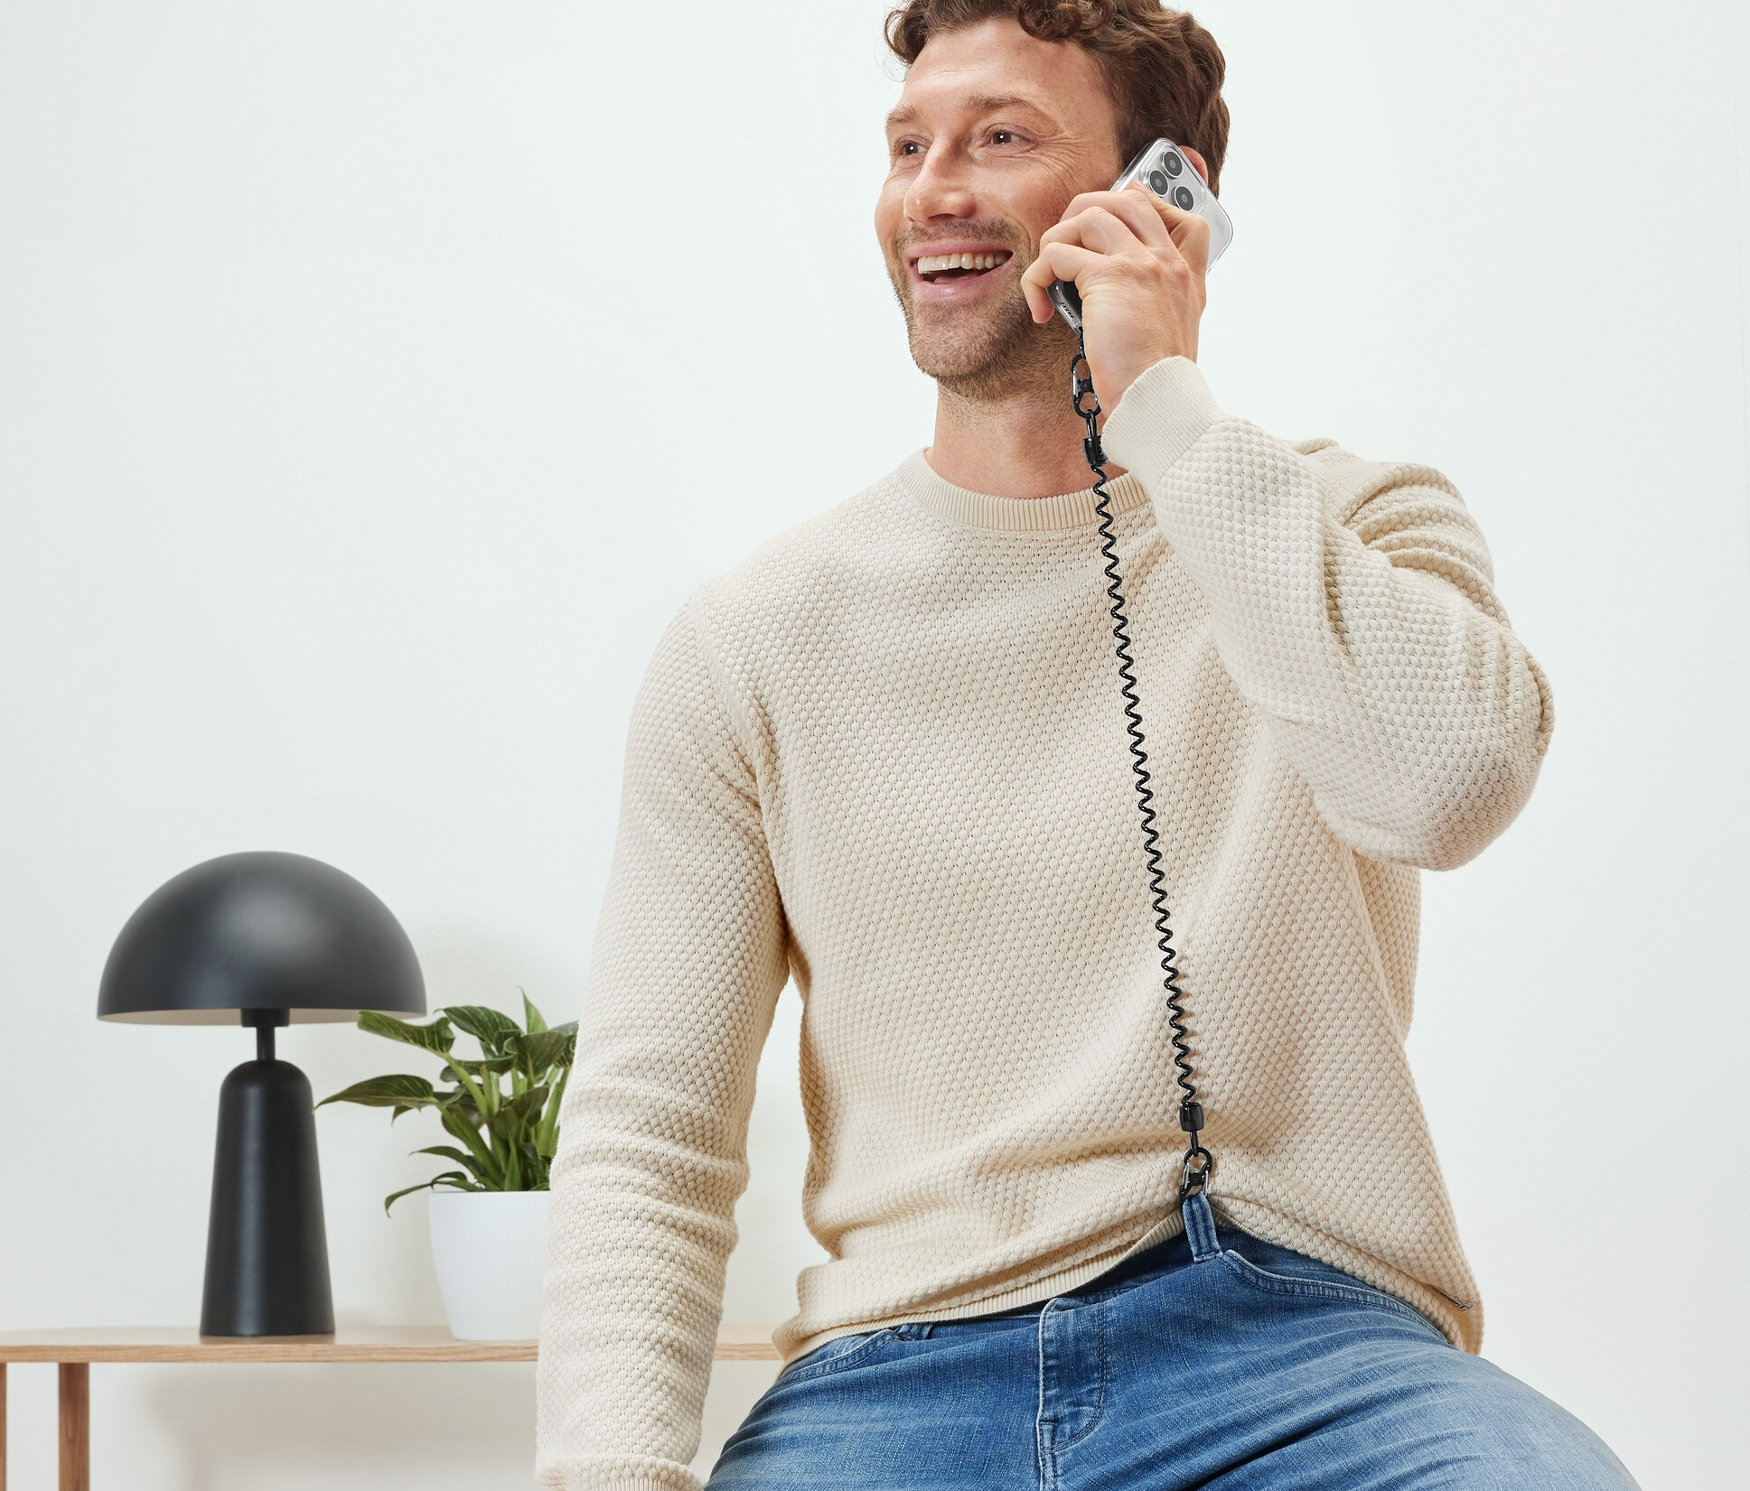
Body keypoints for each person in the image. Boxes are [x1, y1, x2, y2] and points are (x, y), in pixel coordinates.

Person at [536, 3, 1636, 1488]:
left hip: (1307, 1351)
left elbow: (1441, 785)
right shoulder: (755, 637)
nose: (931, 189)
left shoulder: (1352, 523)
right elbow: (650, 1134)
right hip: (898, 1371)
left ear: (1160, 196)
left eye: (1000, 138)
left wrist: (1161, 404)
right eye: (907, 145)